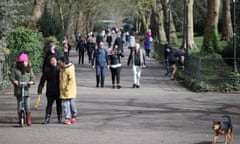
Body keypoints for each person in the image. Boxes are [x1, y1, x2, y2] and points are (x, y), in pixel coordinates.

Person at [10, 52, 35, 126]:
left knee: (27, 104)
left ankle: (28, 118)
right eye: (25, 61)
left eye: (27, 61)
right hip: (18, 90)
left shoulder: (29, 69)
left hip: (26, 89)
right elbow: (12, 77)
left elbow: (33, 77)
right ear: (21, 63)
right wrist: (14, 81)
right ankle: (20, 117)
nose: (26, 63)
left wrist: (31, 81)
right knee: (20, 104)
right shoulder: (15, 69)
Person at [37, 55, 62, 124]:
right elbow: (42, 80)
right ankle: (47, 118)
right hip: (50, 90)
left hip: (58, 90)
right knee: (49, 105)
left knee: (59, 105)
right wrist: (40, 88)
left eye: (54, 60)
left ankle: (59, 117)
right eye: (52, 60)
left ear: (56, 61)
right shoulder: (47, 70)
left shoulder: (59, 69)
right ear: (49, 62)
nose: (53, 61)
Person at [59, 56, 77, 125]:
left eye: (60, 62)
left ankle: (74, 115)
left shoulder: (70, 69)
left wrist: (67, 88)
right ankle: (67, 117)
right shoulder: (61, 69)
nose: (59, 63)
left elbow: (71, 80)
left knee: (72, 104)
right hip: (63, 90)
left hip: (70, 90)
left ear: (64, 62)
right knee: (65, 104)